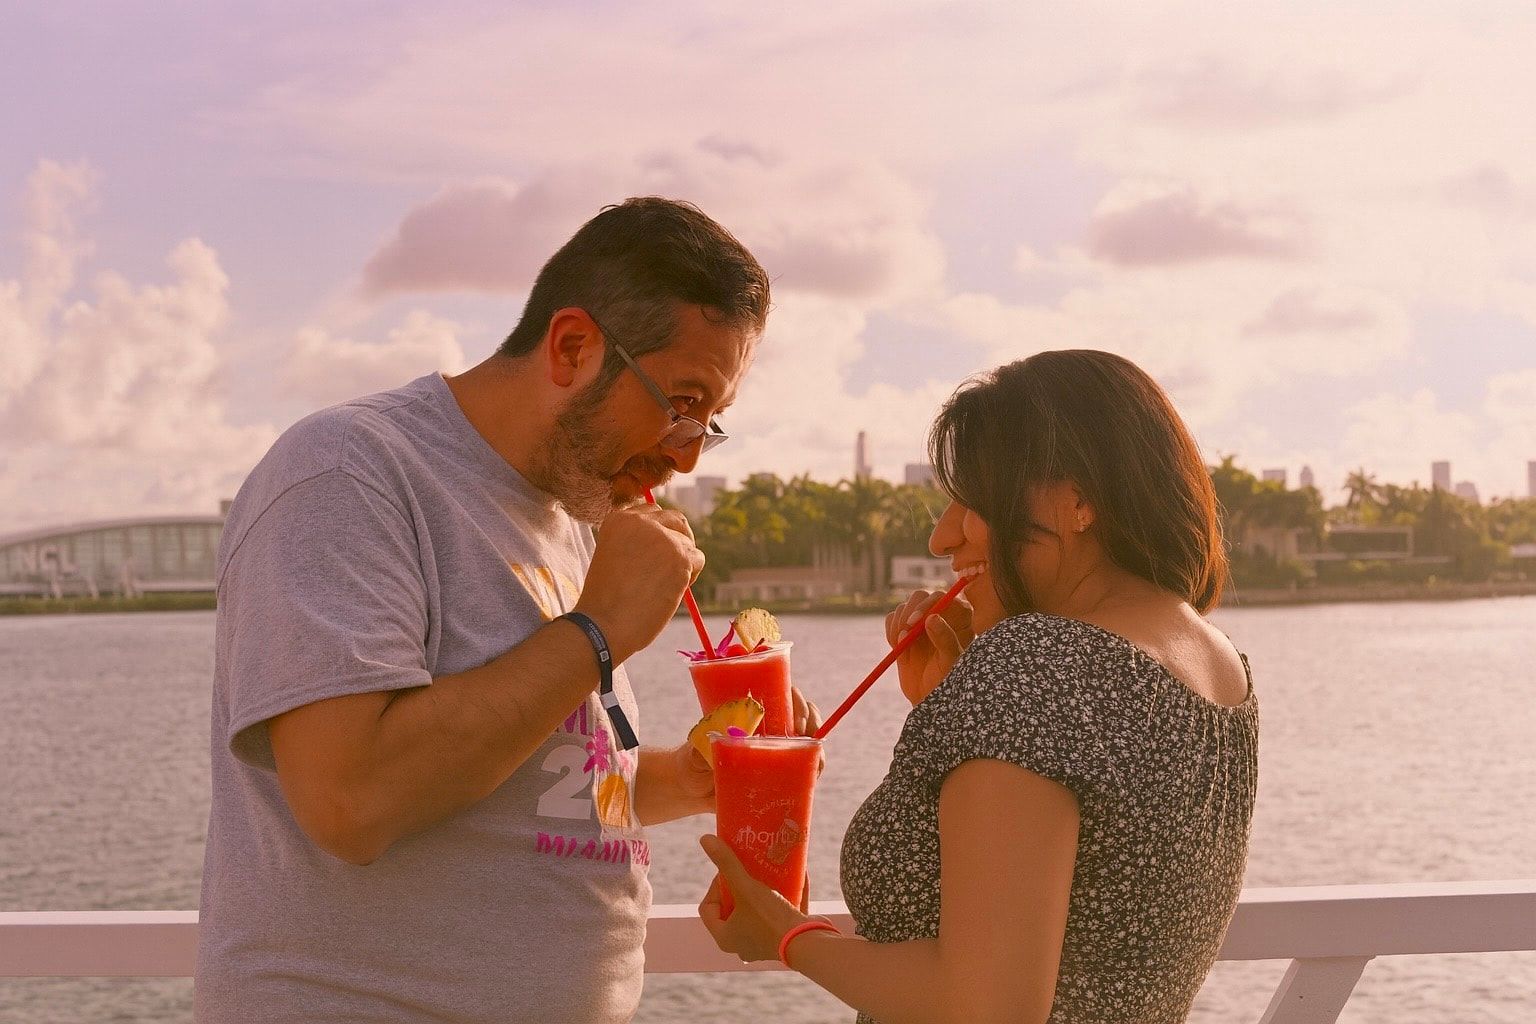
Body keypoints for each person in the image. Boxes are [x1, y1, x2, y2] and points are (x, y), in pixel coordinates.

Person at [195, 197, 803, 1024]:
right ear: (574, 347)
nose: (690, 451)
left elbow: (557, 781)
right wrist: (597, 632)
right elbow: (351, 800)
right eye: (683, 401)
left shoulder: (574, 514)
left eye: (712, 420)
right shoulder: (347, 473)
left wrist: (686, 778)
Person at [699, 350, 1258, 1024]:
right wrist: (953, 711)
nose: (943, 537)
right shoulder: (1221, 665)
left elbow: (988, 1008)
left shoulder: (1035, 668)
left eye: (974, 501)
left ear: (1077, 502)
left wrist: (787, 937)